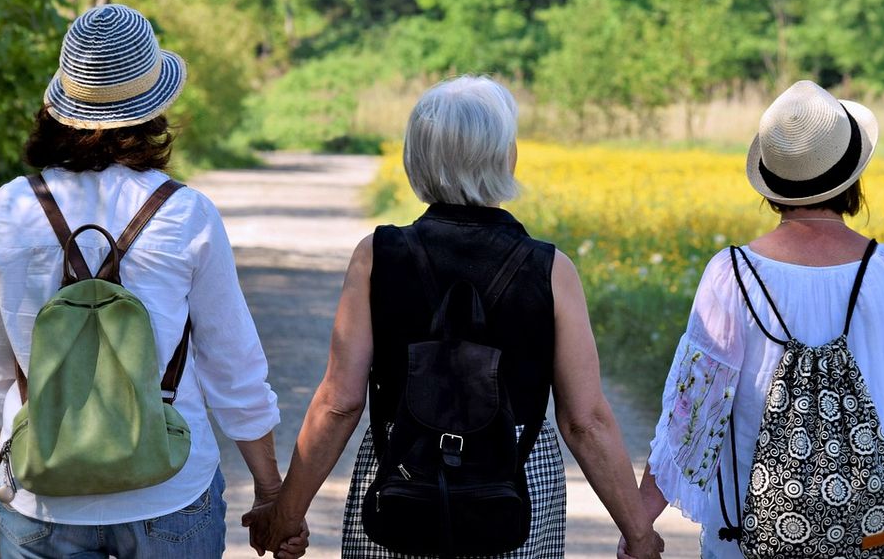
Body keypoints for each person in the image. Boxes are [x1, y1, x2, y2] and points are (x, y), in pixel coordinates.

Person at [243, 76, 665, 558]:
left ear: (417, 158)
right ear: (506, 157)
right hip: (515, 486)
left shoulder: (377, 256)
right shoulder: (551, 269)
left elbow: (339, 403)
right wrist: (638, 534)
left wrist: (287, 514)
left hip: (404, 478)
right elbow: (585, 421)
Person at [0, 3, 307, 559]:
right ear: (154, 109)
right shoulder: (185, 213)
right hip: (170, 491)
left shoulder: (9, 210)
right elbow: (233, 366)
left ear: (60, 108)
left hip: (42, 498)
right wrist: (270, 494)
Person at [634, 81, 884, 558]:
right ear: (851, 178)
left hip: (745, 543)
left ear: (772, 184)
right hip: (866, 538)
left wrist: (638, 525)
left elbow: (692, 417)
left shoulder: (732, 275)